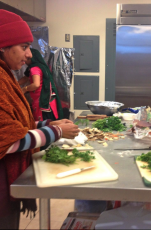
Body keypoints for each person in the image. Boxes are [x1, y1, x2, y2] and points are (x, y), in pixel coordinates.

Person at [0, 9, 80, 229]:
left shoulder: (6, 75)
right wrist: (57, 133)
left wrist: (47, 124)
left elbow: (14, 127)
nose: (29, 54)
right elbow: (8, 141)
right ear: (3, 46)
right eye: (24, 47)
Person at [19, 48, 63, 121]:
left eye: (26, 58)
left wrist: (24, 89)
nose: (24, 61)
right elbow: (26, 77)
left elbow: (36, 85)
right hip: (48, 100)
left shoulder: (34, 68)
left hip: (42, 101)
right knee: (51, 123)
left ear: (32, 58)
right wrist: (15, 83)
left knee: (45, 124)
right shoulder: (40, 66)